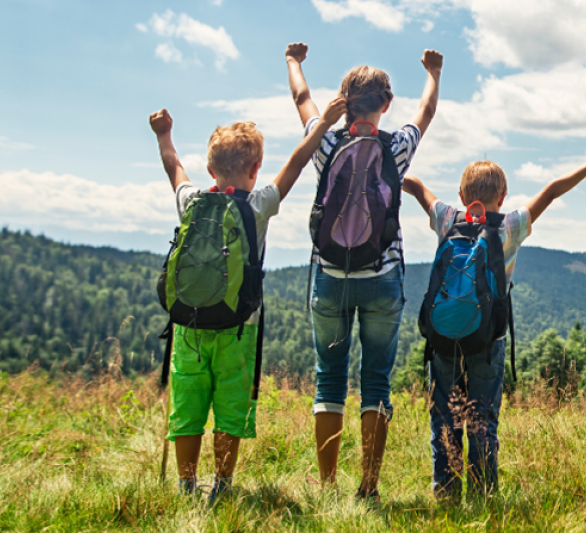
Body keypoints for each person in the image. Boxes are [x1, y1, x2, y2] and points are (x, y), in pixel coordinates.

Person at [148, 97, 347, 498]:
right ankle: (221, 486)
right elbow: (295, 164)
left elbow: (173, 166)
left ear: (210, 170)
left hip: (188, 326)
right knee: (229, 408)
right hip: (240, 329)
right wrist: (324, 121)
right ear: (256, 170)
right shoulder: (258, 205)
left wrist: (164, 134)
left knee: (187, 407)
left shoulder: (191, 201)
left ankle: (187, 486)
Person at [403, 145, 586, 502]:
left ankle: (446, 493)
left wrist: (380, 165)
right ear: (504, 195)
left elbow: (417, 186)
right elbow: (552, 190)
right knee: (482, 418)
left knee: (445, 420)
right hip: (486, 341)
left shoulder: (448, 219)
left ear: (462, 195)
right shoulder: (510, 226)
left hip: (443, 337)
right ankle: (483, 495)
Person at [285, 41, 443, 501]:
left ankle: (329, 485)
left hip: (331, 278)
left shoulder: (325, 140)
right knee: (376, 380)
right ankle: (368, 487)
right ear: (386, 104)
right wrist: (432, 70)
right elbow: (427, 112)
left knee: (328, 377)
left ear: (343, 101)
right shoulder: (396, 147)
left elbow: (301, 100)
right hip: (382, 277)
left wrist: (294, 61)